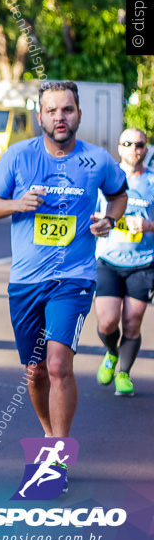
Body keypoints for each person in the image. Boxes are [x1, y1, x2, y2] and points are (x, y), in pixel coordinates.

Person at [0, 81, 127, 456]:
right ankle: (49, 433)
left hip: (74, 278)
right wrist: (16, 203)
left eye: (67, 110)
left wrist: (110, 220)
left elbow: (119, 194)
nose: (60, 117)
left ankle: (56, 455)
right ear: (40, 116)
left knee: (59, 364)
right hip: (26, 281)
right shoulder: (19, 156)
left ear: (78, 113)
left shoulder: (98, 160)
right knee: (36, 371)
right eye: (52, 110)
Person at [94, 128, 154, 397]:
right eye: (127, 143)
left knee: (132, 323)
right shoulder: (106, 179)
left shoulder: (152, 181)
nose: (134, 148)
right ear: (118, 147)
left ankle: (123, 374)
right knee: (107, 323)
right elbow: (87, 210)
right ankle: (111, 352)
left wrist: (147, 225)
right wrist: (99, 219)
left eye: (139, 144)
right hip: (108, 259)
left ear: (147, 148)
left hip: (143, 262)